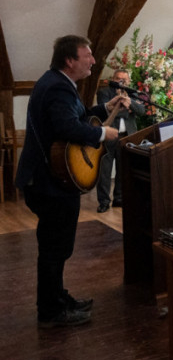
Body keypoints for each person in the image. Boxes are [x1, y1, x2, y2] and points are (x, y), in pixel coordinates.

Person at [16, 35, 123, 328]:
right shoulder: (57, 87)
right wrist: (103, 134)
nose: (93, 61)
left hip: (51, 180)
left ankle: (57, 298)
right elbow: (67, 127)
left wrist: (105, 108)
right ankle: (51, 311)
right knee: (54, 247)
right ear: (69, 60)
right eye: (87, 55)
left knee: (57, 246)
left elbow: (79, 116)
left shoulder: (59, 83)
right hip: (50, 182)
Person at [95, 68, 144, 213]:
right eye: (118, 79)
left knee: (123, 170)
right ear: (113, 79)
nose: (121, 82)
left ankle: (119, 198)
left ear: (129, 81)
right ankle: (104, 202)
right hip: (109, 136)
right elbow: (105, 111)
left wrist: (131, 104)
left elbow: (141, 111)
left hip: (126, 137)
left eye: (124, 79)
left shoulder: (133, 93)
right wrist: (126, 110)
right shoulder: (104, 92)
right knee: (104, 171)